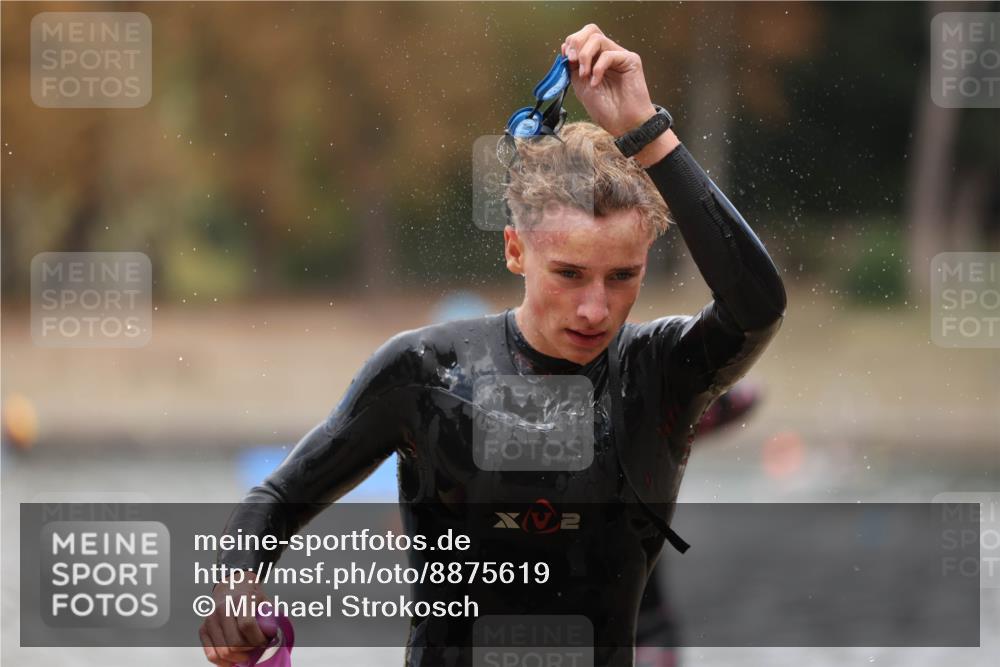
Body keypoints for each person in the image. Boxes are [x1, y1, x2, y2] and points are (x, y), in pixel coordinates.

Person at [199, 23, 786, 667]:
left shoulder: (658, 374)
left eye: (623, 277)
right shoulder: (425, 374)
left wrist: (647, 129)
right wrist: (234, 585)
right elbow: (279, 498)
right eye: (568, 274)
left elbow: (757, 306)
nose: (596, 308)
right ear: (516, 251)